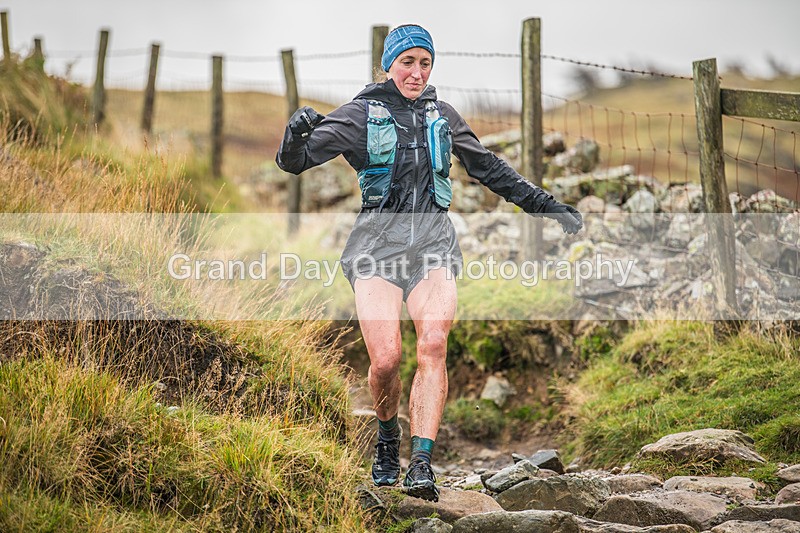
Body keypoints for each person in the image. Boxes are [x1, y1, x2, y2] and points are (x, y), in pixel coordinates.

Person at [276, 24, 582, 502]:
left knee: (433, 345)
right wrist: (294, 136)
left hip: (434, 250)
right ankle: (386, 436)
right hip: (376, 252)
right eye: (407, 63)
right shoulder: (360, 115)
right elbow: (293, 163)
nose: (417, 73)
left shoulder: (444, 116)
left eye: (425, 63)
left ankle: (421, 462)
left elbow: (490, 168)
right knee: (386, 360)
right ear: (388, 65)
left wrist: (547, 205)